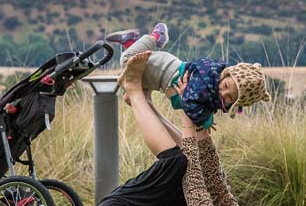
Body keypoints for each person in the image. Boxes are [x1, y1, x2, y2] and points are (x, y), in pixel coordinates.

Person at [89, 51, 300, 206]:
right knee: (191, 156)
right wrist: (201, 126)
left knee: (178, 163)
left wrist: (187, 118)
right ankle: (144, 104)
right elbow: (216, 182)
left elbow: (195, 185)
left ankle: (133, 89)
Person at [106, 24, 271, 131]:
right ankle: (155, 37)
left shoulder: (214, 86)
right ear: (226, 75)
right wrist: (206, 121)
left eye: (230, 98)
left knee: (132, 96)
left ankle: (130, 44)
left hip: (161, 80)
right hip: (165, 69)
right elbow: (190, 104)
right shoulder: (207, 79)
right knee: (126, 61)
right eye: (226, 87)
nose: (224, 93)